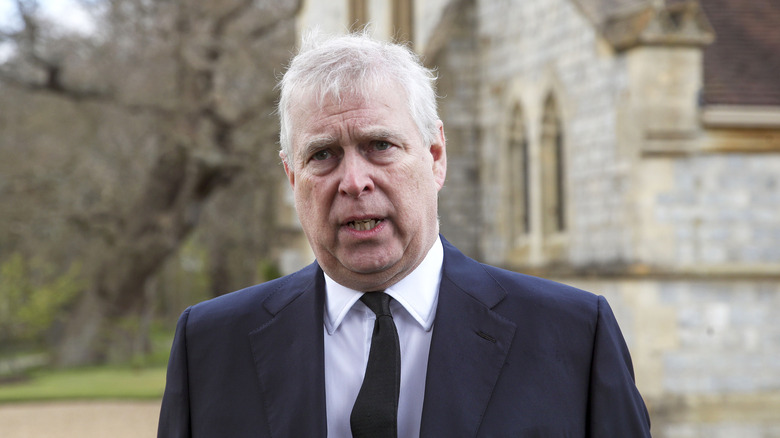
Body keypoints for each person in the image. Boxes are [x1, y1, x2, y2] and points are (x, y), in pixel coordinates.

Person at [158, 32, 651, 437]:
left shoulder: (573, 336)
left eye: (379, 145)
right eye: (323, 155)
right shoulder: (209, 347)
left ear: (436, 156)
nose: (354, 181)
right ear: (292, 177)